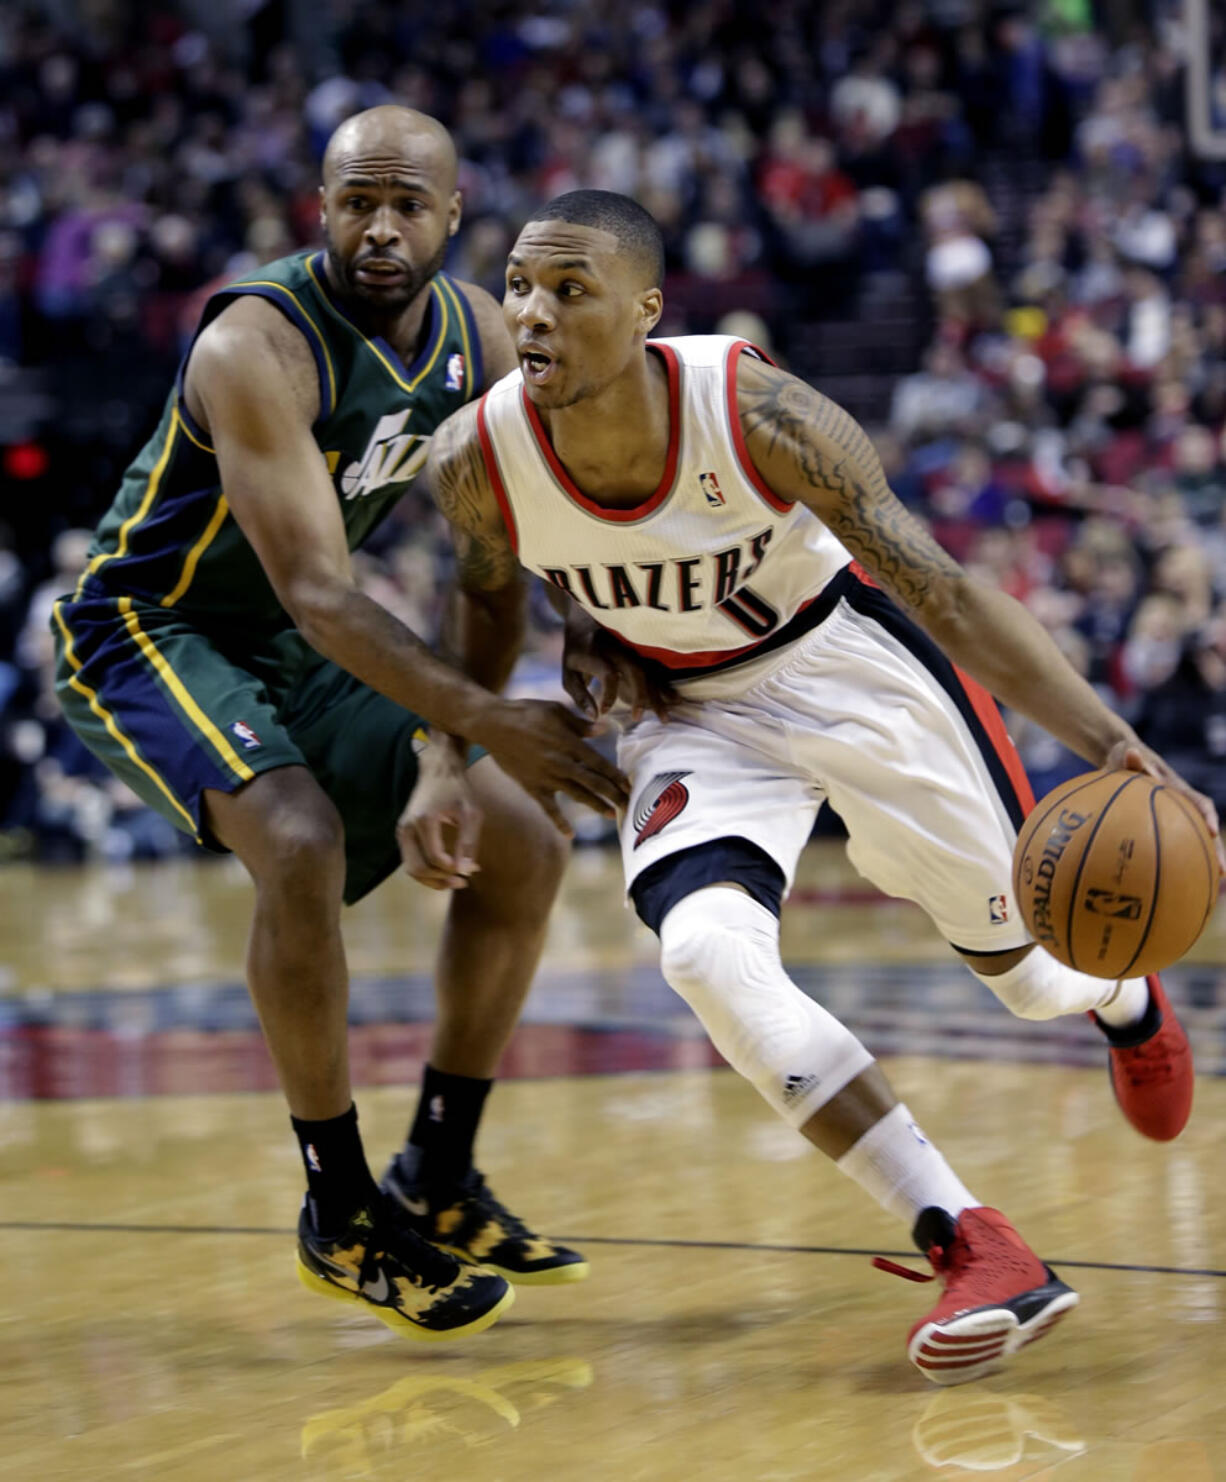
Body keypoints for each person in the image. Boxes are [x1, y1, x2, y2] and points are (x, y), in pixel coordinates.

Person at [422, 188, 1223, 1385]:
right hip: (689, 714)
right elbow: (493, 600)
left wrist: (1107, 737)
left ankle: (1117, 1000)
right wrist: (461, 738)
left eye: (567, 291)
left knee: (1030, 982)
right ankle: (972, 1240)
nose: (530, 313)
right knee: (701, 952)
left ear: (643, 312)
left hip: (847, 668)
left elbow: (941, 591)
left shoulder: (755, 411)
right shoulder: (472, 455)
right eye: (519, 288)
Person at [51, 113, 630, 1344]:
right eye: (355, 202)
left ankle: (439, 1169)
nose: (380, 228)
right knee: (299, 840)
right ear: (316, 205)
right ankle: (343, 1208)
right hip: (157, 627)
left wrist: (455, 745)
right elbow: (319, 593)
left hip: (304, 642)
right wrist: (484, 718)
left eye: (406, 205)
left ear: (454, 212)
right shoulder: (254, 344)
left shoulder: (479, 336)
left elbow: (487, 572)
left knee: (519, 837)